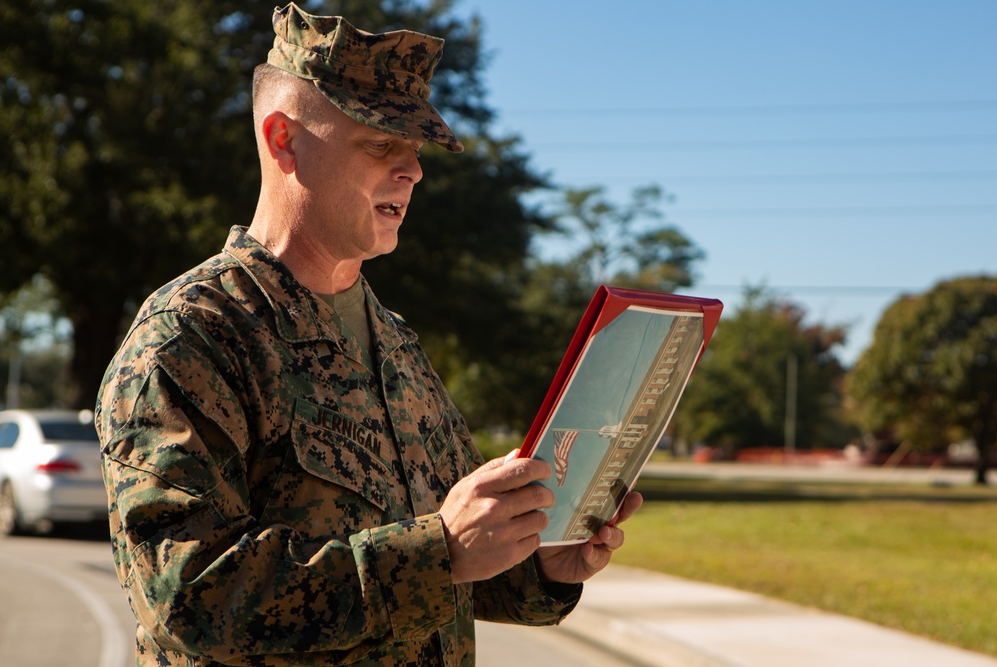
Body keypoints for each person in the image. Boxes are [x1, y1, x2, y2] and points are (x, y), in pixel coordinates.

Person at [96, 4, 643, 666]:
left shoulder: (397, 345)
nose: (411, 170)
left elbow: (456, 573)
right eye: (381, 144)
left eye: (415, 150)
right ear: (283, 140)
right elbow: (184, 594)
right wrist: (436, 550)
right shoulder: (192, 336)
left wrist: (544, 560)